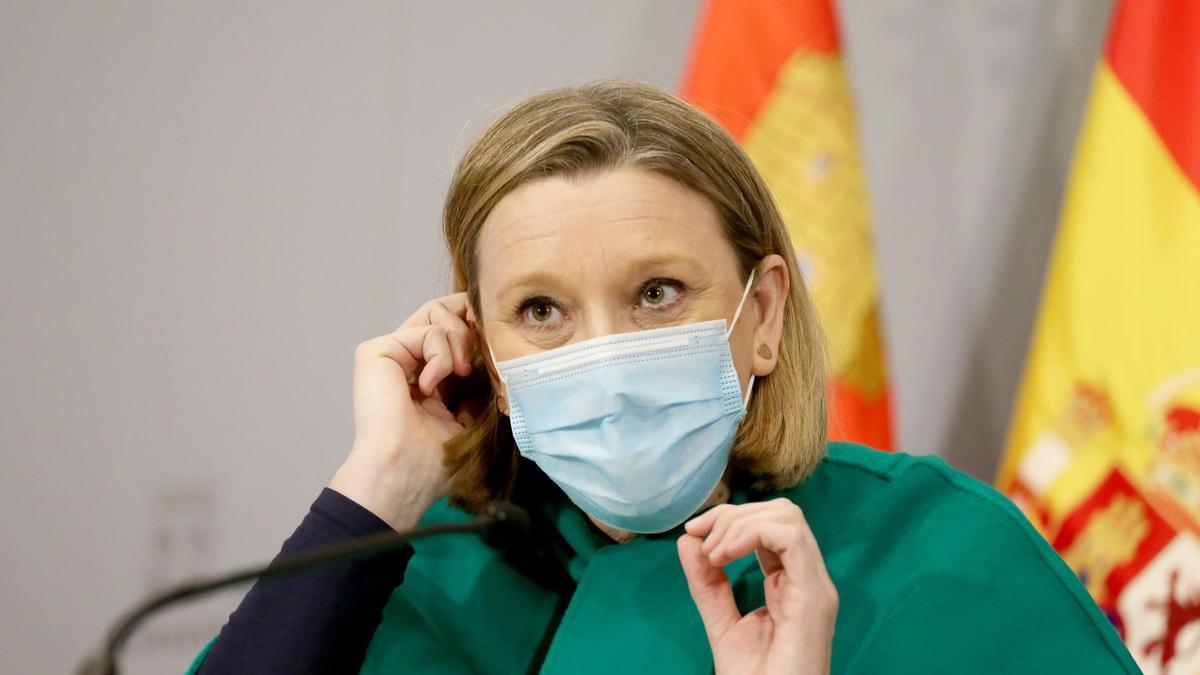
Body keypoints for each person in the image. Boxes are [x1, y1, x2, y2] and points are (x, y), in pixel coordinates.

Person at [185, 79, 1139, 674]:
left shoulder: (937, 550)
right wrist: (383, 480)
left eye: (656, 292)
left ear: (761, 314)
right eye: (542, 311)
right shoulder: (415, 574)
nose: (604, 353)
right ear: (487, 352)